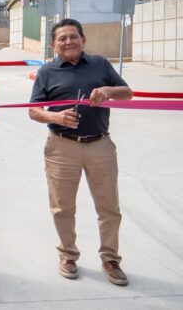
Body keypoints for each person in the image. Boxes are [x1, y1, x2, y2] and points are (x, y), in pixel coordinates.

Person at [28, 18, 133, 286]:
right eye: (62, 38)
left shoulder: (100, 63)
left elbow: (127, 93)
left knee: (109, 207)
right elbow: (33, 110)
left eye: (73, 36)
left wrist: (108, 90)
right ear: (54, 45)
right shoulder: (46, 72)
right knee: (62, 207)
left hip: (100, 145)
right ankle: (68, 255)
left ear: (83, 40)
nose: (68, 42)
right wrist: (56, 116)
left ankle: (110, 259)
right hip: (61, 147)